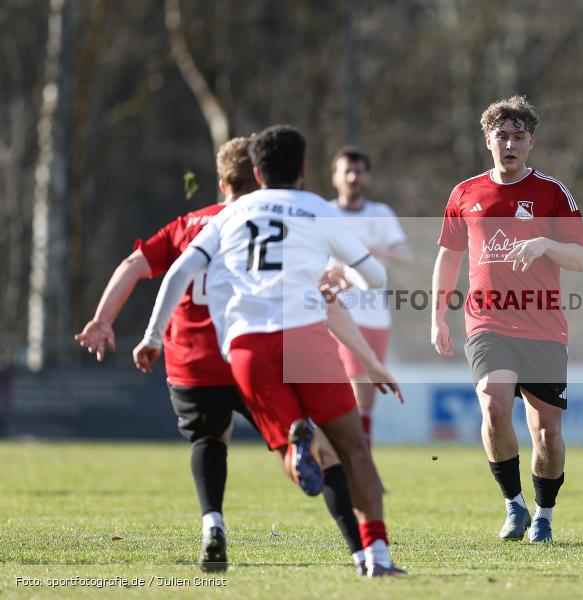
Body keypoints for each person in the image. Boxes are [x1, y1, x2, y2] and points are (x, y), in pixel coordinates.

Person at [75, 137, 382, 575]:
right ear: (259, 179)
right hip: (252, 353)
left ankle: (212, 524)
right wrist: (366, 357)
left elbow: (135, 266)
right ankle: (359, 550)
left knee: (208, 440)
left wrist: (109, 322)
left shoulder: (188, 224)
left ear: (222, 182)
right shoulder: (267, 221)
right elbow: (321, 297)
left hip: (192, 365)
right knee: (322, 452)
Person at [430, 96, 583, 544]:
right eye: (502, 135)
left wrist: (544, 244)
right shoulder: (465, 194)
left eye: (519, 136)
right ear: (488, 140)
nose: (510, 144)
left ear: (531, 142)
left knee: (546, 433)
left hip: (543, 328)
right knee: (495, 404)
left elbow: (582, 257)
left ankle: (544, 514)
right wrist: (437, 315)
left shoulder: (553, 193)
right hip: (487, 323)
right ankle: (514, 506)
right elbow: (448, 256)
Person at [327, 146, 412, 446]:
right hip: (336, 312)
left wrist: (381, 251)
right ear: (335, 176)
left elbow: (406, 254)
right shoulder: (325, 213)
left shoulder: (380, 214)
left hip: (375, 315)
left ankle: (360, 460)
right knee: (344, 387)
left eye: (359, 171)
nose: (352, 177)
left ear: (368, 177)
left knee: (366, 397)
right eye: (346, 171)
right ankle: (348, 460)